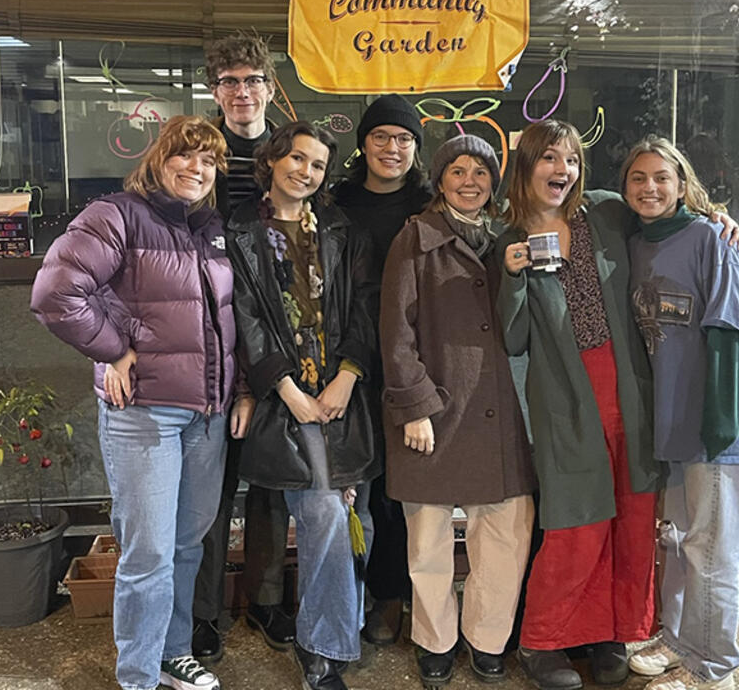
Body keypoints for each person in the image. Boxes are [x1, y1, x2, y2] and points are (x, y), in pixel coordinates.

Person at [498, 120, 739, 690]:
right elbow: (512, 340)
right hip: (567, 404)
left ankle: (611, 631)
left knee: (634, 522)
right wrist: (511, 279)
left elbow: (666, 215)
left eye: (573, 160)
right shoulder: (505, 237)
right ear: (527, 166)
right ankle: (543, 639)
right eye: (549, 159)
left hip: (633, 395)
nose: (563, 171)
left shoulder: (604, 213)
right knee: (575, 526)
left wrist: (716, 219)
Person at [31, 115, 249, 690]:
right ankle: (137, 676)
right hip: (146, 411)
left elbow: (229, 319)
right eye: (185, 155)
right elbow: (56, 293)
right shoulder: (116, 216)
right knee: (148, 552)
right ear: (158, 158)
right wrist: (115, 349)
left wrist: (240, 388)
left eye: (208, 161)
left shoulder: (212, 230)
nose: (196, 169)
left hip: (208, 414)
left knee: (185, 545)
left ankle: (172, 653)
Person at [225, 121, 380, 690]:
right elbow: (245, 320)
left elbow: (365, 307)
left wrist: (346, 377)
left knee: (354, 517)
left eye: (317, 164)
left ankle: (343, 623)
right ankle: (323, 651)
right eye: (296, 158)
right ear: (271, 161)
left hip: (344, 394)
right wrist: (288, 390)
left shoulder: (341, 228)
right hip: (283, 397)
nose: (306, 171)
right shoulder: (239, 230)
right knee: (322, 513)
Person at [379, 135, 536, 687]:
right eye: (458, 171)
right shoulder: (414, 239)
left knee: (506, 530)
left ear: (495, 183)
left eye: (481, 172)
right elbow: (396, 333)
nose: (470, 181)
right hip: (435, 409)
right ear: (440, 179)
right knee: (427, 540)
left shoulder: (507, 241)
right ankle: (436, 640)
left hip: (497, 412)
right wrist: (415, 407)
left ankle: (487, 639)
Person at [622, 137, 739, 690]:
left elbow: (731, 332)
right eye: (638, 178)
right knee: (679, 540)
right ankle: (679, 641)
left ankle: (713, 670)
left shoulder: (711, 239)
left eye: (662, 177)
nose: (650, 187)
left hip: (711, 424)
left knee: (712, 549)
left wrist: (720, 425)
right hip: (671, 422)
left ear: (684, 185)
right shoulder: (636, 241)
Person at [194, 32, 295, 663]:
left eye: (252, 79)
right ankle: (204, 612)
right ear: (215, 91)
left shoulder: (289, 151)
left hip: (276, 339)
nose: (241, 92)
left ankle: (264, 599)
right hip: (208, 338)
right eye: (229, 81)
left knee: (272, 486)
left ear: (269, 86)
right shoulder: (196, 150)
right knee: (211, 491)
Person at [331, 94, 431, 645]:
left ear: (415, 148)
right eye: (381, 137)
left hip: (414, 360)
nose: (392, 149)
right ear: (363, 144)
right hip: (351, 360)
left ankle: (405, 593)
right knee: (365, 489)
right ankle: (376, 595)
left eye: (404, 139)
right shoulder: (336, 204)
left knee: (406, 489)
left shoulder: (431, 204)